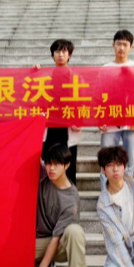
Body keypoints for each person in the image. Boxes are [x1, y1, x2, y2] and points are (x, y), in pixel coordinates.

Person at [33, 144, 92, 267]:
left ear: (67, 165)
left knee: (75, 231)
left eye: (56, 164)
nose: (51, 168)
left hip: (60, 245)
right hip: (38, 241)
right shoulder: (42, 180)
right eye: (48, 163)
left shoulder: (71, 198)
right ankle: (46, 263)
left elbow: (56, 238)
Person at [98, 30, 134, 187]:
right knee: (107, 160)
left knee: (133, 160)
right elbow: (99, 94)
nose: (122, 48)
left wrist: (131, 77)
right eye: (119, 44)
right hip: (110, 120)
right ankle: (107, 195)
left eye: (125, 44)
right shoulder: (106, 68)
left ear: (131, 47)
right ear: (113, 45)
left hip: (131, 119)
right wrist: (100, 118)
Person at [38, 39, 82, 185]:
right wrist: (33, 73)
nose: (60, 55)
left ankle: (69, 197)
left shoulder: (77, 77)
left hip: (68, 127)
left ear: (69, 55)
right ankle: (48, 196)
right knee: (48, 165)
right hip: (50, 127)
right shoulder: (44, 76)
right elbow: (36, 98)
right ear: (52, 55)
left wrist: (79, 120)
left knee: (68, 167)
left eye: (64, 51)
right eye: (57, 51)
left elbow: (83, 101)